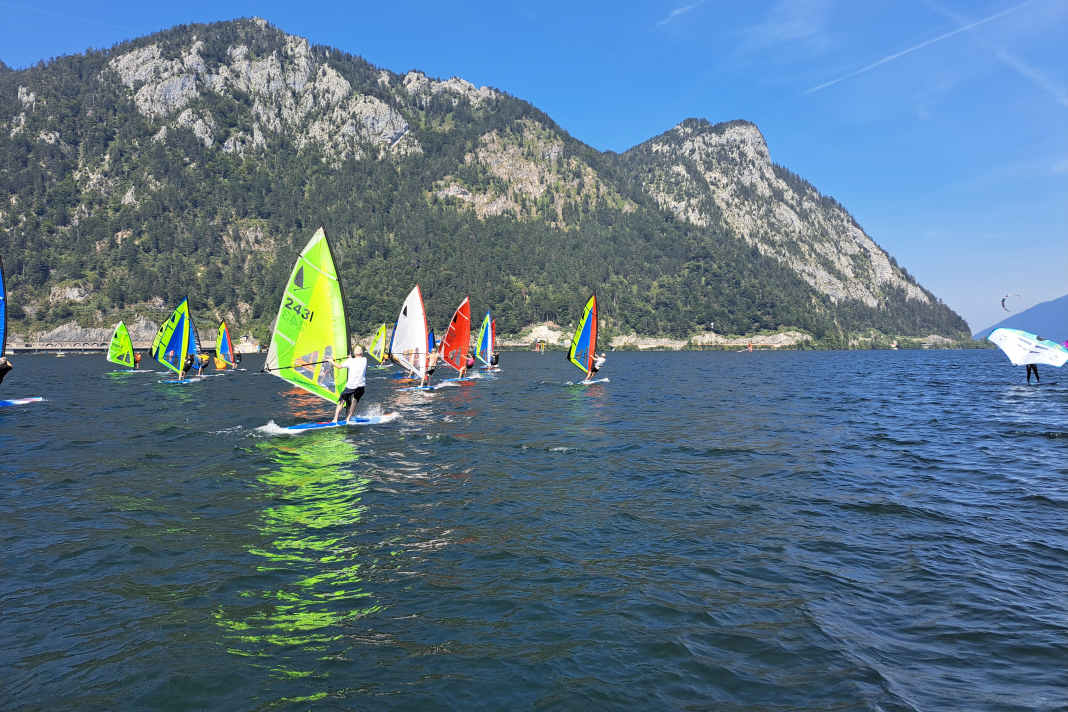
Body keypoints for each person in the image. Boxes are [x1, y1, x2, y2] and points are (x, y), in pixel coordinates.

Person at [326, 343, 367, 423]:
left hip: (351, 386)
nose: (358, 350)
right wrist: (350, 358)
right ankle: (348, 419)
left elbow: (339, 366)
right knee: (354, 402)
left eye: (359, 349)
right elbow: (355, 360)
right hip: (361, 386)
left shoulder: (350, 361)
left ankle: (335, 419)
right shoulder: (364, 360)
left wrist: (331, 361)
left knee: (342, 400)